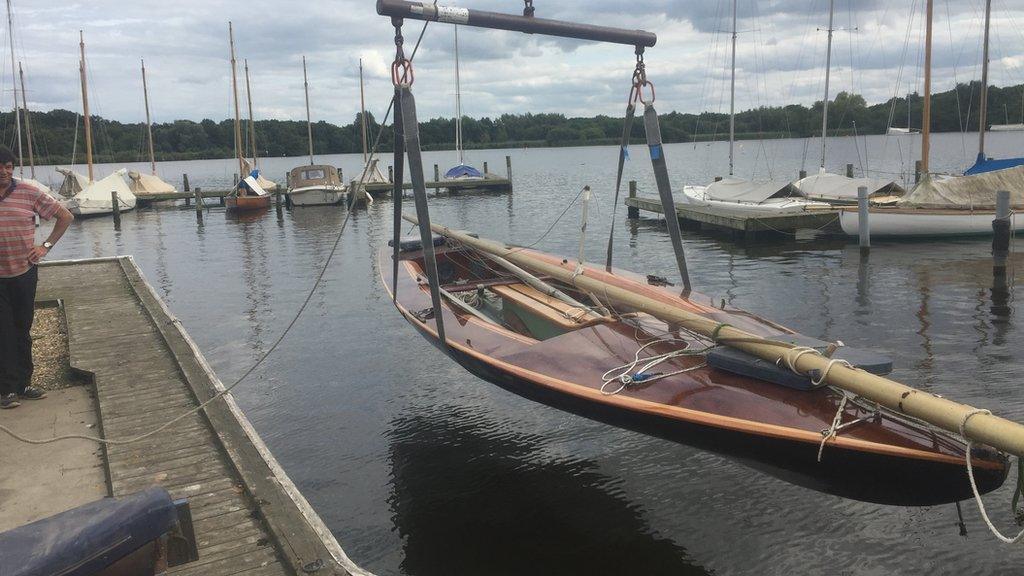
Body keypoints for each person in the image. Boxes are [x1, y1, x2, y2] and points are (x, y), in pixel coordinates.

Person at [0, 146, 74, 409]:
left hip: (23, 272)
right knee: (3, 331)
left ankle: (23, 383)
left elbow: (65, 216)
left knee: (22, 329)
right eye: (0, 166)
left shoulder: (27, 192)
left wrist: (46, 246)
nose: (4, 172)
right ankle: (6, 390)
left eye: (8, 166)